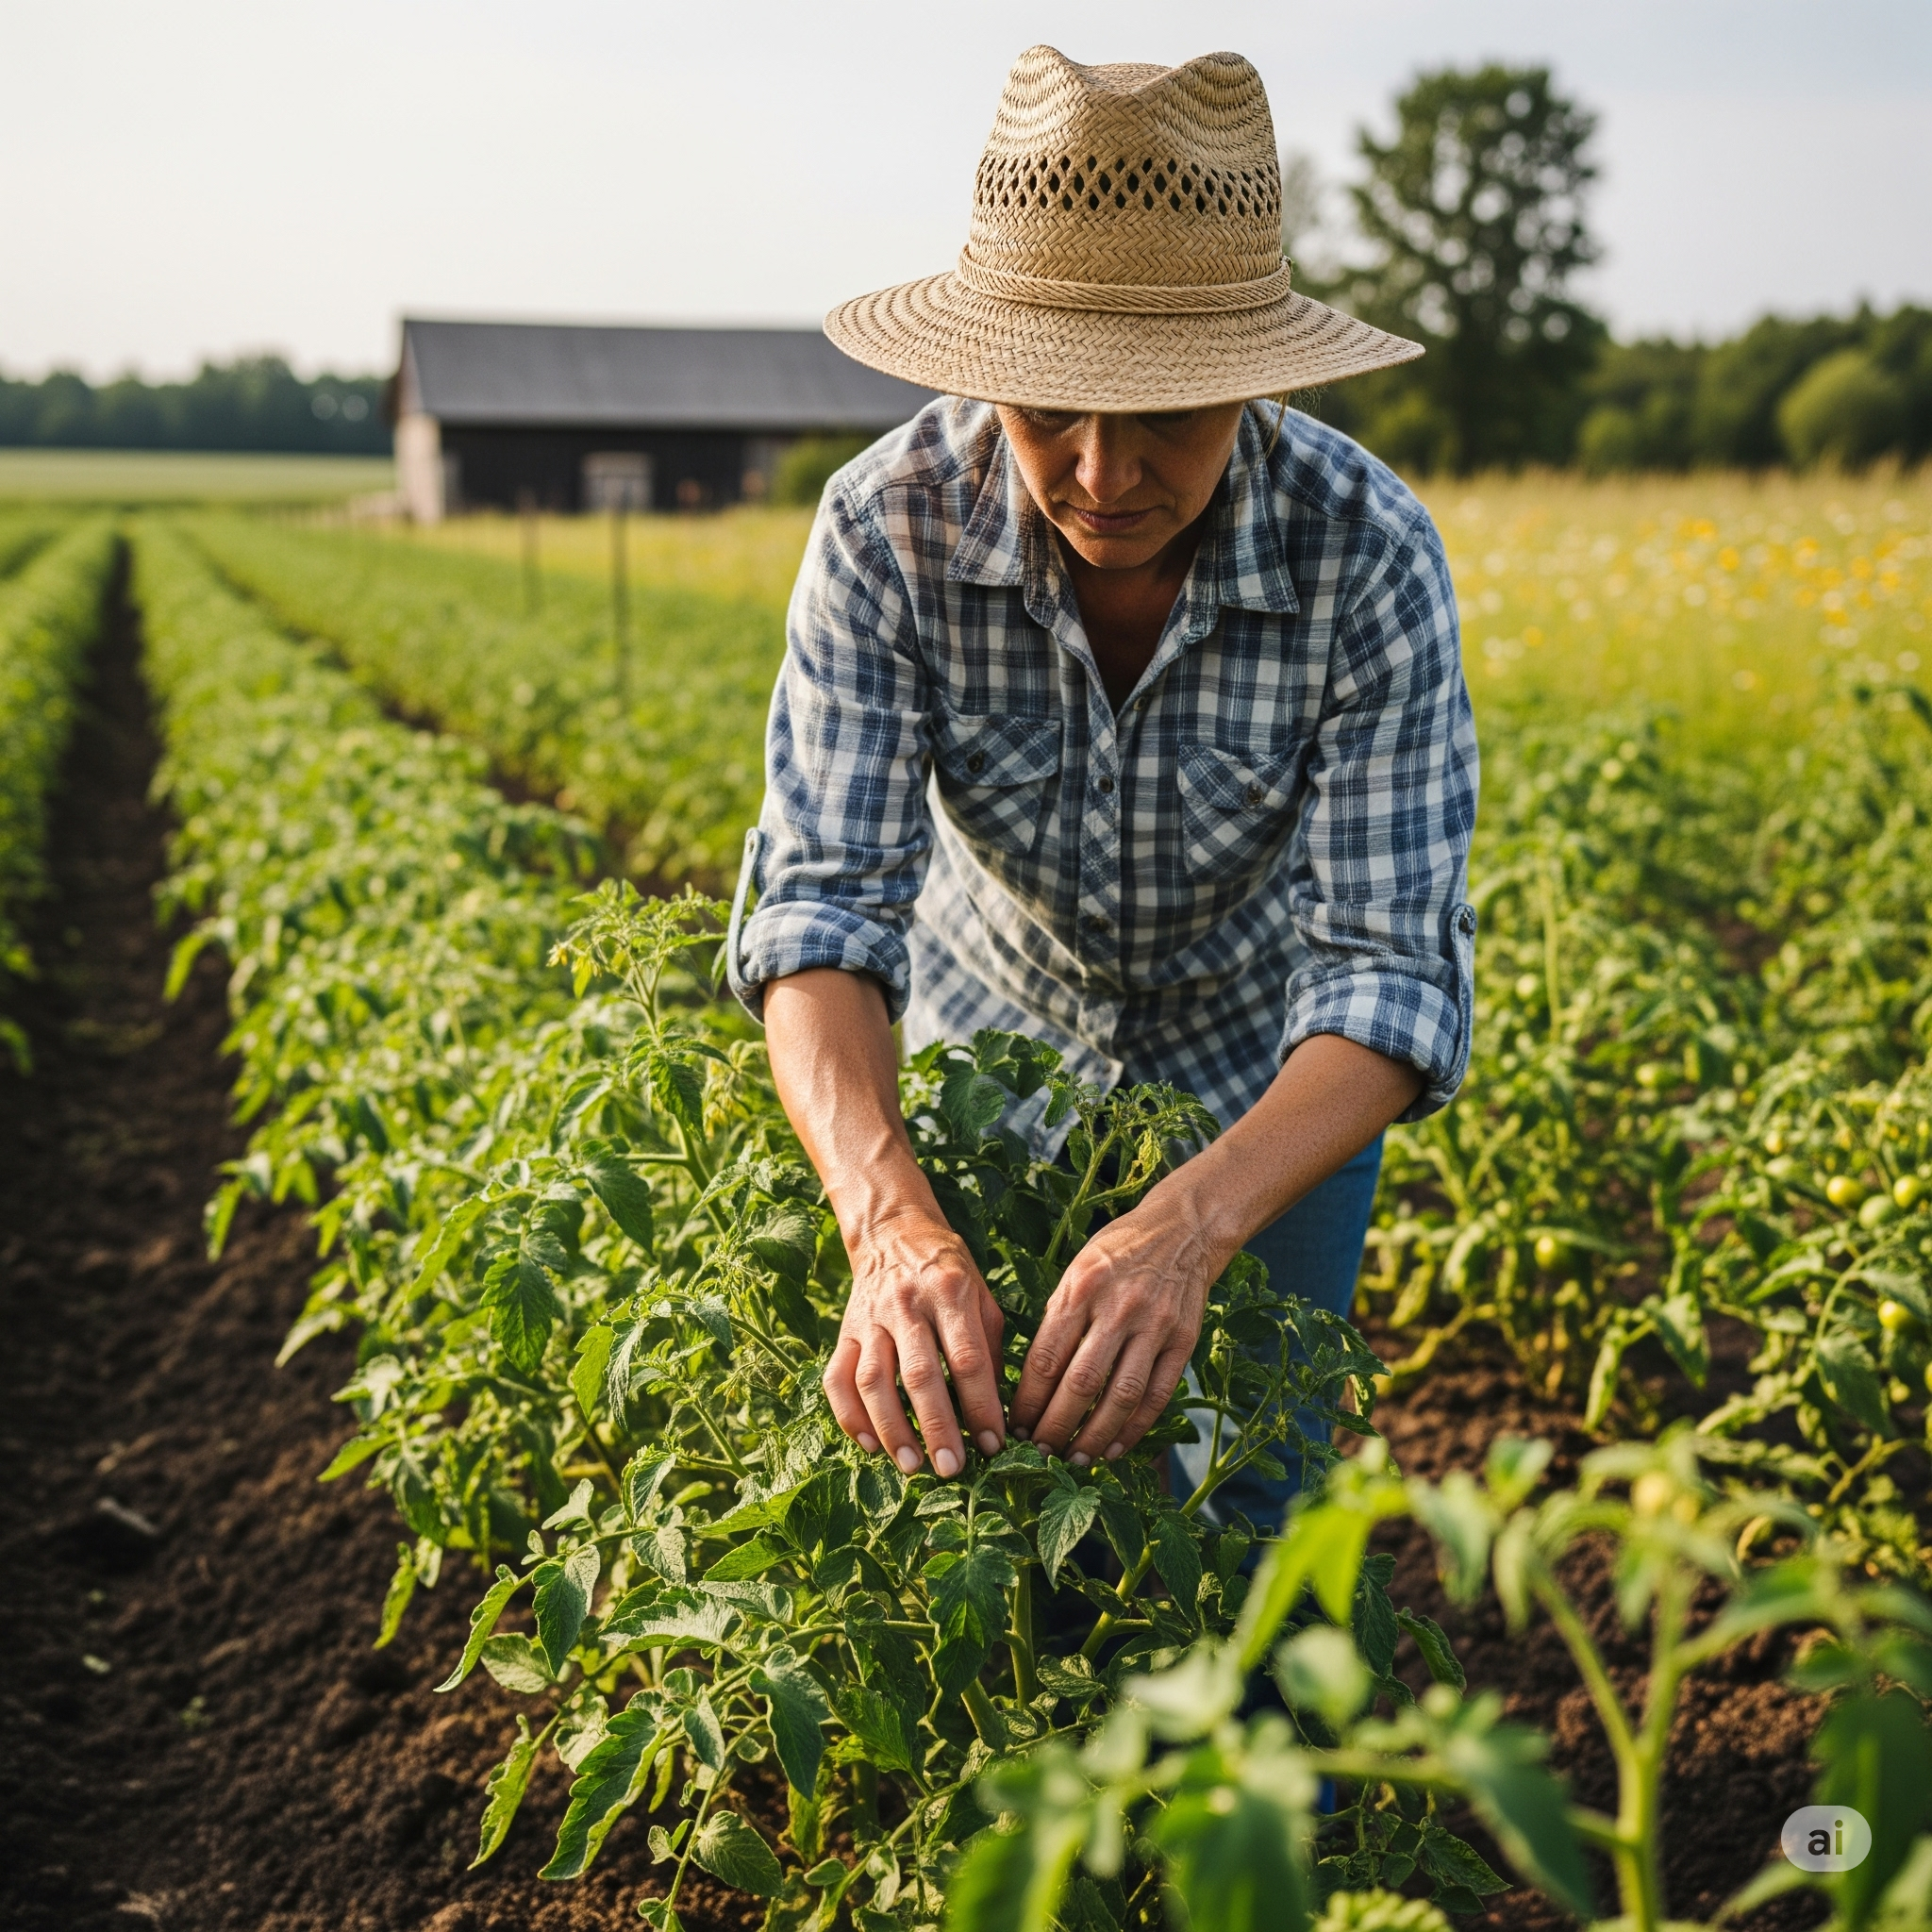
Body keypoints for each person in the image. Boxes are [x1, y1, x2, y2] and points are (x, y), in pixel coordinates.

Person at [726, 45, 1477, 1526]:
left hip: (1270, 1104)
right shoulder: (889, 532)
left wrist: (1192, 1227)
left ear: (1254, 380)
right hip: (985, 1079)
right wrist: (889, 1225)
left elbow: (1389, 980)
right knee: (1007, 1534)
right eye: (1049, 405)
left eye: (1169, 416)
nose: (1100, 469)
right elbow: (820, 913)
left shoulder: (1367, 555)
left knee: (1254, 1527)